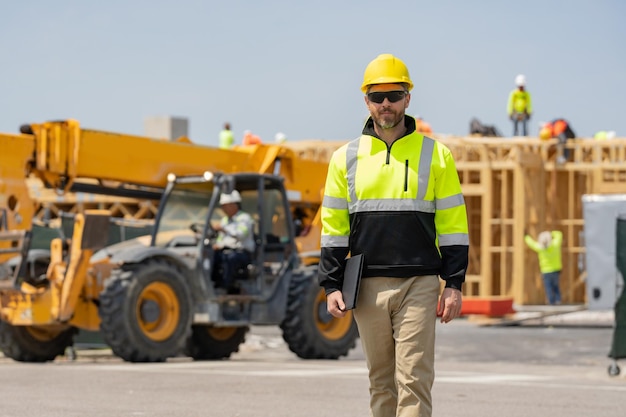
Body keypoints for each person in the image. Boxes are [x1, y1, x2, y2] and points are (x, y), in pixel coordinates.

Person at [318, 53, 469, 417]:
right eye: (378, 96)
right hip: (367, 285)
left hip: (418, 282)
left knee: (414, 378)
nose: (386, 104)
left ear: (408, 99)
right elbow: (334, 227)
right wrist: (331, 284)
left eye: (394, 95)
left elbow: (453, 224)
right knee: (381, 381)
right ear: (366, 101)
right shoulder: (345, 158)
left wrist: (454, 282)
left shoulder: (436, 155)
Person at [212, 190, 255, 292]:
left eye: (225, 206)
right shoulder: (225, 220)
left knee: (230, 258)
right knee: (212, 256)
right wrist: (217, 245)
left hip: (242, 252)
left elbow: (240, 235)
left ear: (234, 205)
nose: (223, 209)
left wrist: (224, 229)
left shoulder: (244, 218)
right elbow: (221, 239)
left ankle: (226, 287)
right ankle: (214, 284)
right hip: (227, 250)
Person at [524, 230, 563, 305]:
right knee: (556, 286)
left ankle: (551, 302)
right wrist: (552, 233)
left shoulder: (540, 248)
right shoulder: (555, 245)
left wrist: (526, 237)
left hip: (546, 271)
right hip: (556, 270)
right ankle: (558, 300)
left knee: (548, 288)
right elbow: (559, 235)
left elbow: (531, 244)